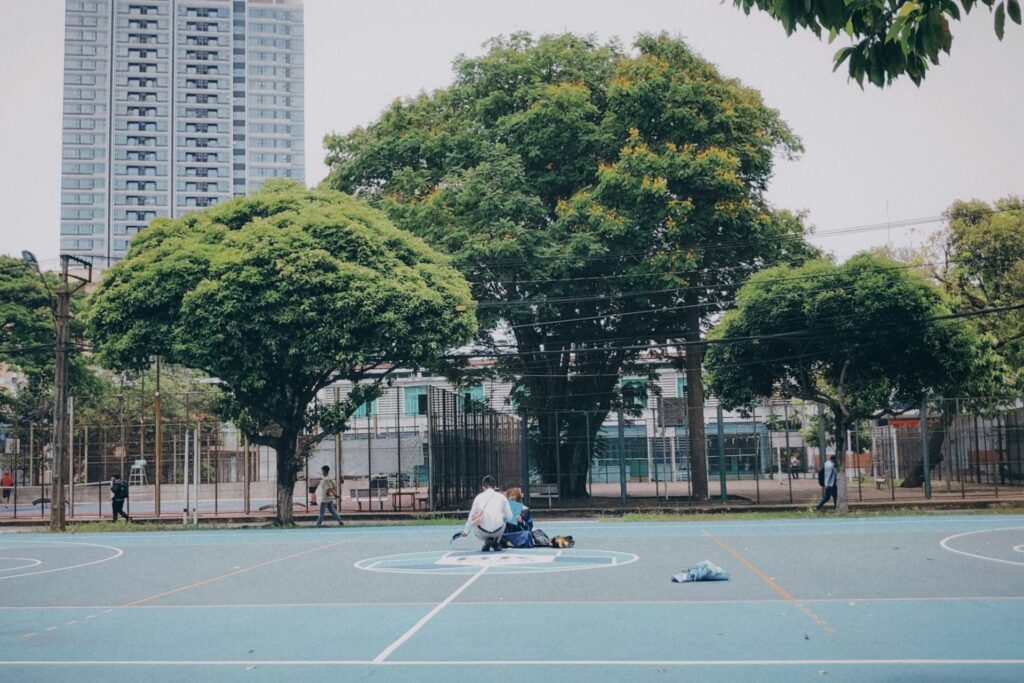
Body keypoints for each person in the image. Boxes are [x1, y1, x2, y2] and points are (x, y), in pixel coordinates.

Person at [459, 475, 512, 551]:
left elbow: (471, 516)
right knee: (504, 520)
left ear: (483, 487)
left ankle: (487, 540)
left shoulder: (478, 497)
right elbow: (510, 517)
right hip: (498, 531)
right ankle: (496, 542)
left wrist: (466, 531)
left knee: (476, 520)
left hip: (482, 532)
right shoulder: (502, 497)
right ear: (495, 487)